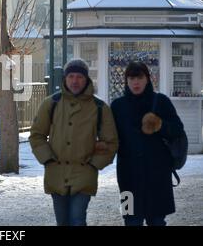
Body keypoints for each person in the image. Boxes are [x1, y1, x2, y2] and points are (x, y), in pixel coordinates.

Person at [29, 58, 118, 226]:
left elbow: (111, 142)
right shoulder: (51, 103)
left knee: (77, 219)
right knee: (62, 222)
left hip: (84, 173)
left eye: (79, 77)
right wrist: (47, 159)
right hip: (56, 172)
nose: (75, 81)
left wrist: (94, 164)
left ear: (86, 79)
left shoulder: (100, 107)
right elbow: (36, 135)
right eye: (71, 76)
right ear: (65, 78)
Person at [111, 61, 184, 226]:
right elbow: (110, 138)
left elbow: (178, 129)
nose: (135, 82)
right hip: (127, 178)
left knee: (157, 221)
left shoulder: (161, 101)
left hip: (157, 176)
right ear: (126, 81)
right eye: (131, 78)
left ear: (147, 79)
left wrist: (159, 124)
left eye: (139, 77)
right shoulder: (117, 106)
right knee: (130, 220)